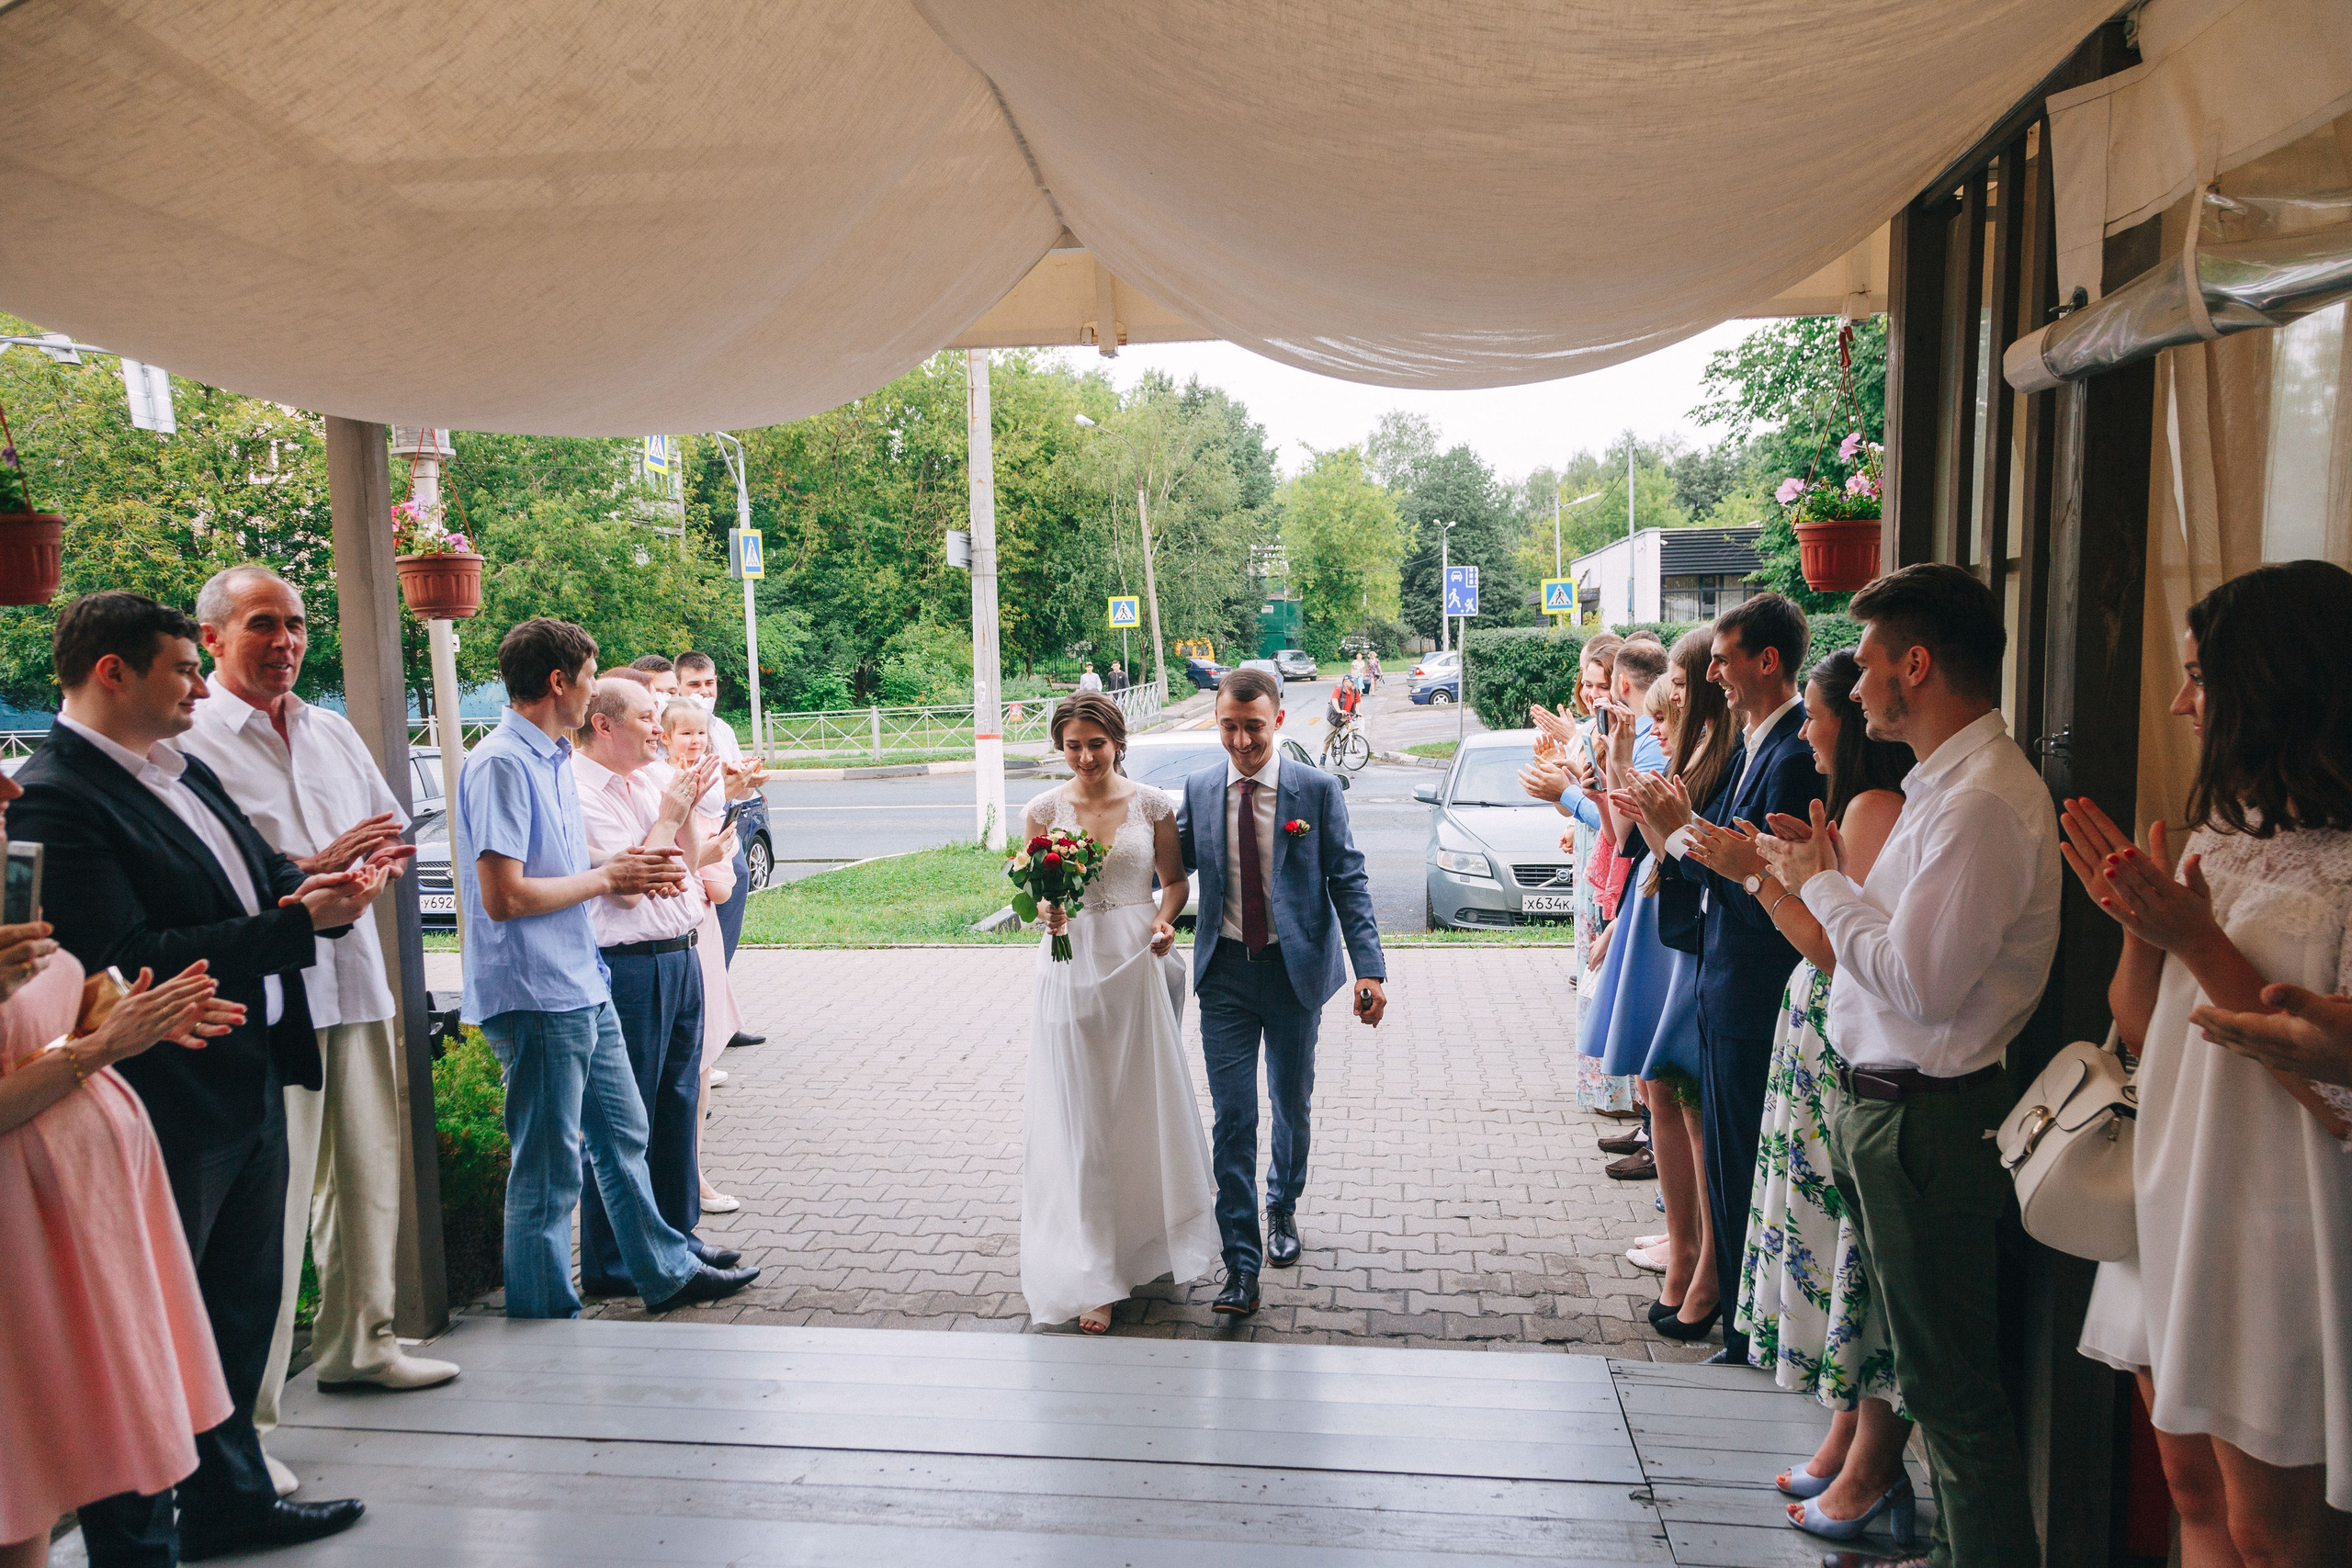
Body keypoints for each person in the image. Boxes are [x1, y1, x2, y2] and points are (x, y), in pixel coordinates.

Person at [11, 592, 390, 1562]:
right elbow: (129, 953)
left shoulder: (179, 767)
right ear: (113, 673)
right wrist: (300, 925)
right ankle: (137, 1539)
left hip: (248, 1064)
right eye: (183, 668)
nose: (197, 686)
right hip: (163, 1096)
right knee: (140, 1338)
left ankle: (230, 1499)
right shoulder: (60, 793)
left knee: (233, 1307)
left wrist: (312, 880)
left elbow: (253, 870)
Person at [1757, 563, 2059, 1568]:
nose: (1857, 680)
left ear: (1915, 666)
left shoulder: (1979, 806)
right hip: (1890, 1108)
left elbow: (1919, 985)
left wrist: (1822, 883)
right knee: (1929, 1383)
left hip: (1928, 1120)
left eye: (1872, 659)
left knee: (1952, 1400)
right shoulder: (1946, 787)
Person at [2066, 559, 2352, 1563]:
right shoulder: (2224, 842)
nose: (2184, 704)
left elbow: (2334, 1088)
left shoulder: (2347, 867)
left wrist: (2195, 940)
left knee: (2274, 1532)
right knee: (2187, 1486)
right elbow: (2143, 1030)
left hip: (2279, 1217)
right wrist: (2138, 922)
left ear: (2280, 686)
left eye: (2201, 678)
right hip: (2174, 1190)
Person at [179, 567, 460, 1500]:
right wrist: (307, 869)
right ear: (212, 636)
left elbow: (386, 828)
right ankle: (250, 1423)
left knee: (368, 1176)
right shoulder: (193, 741)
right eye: (265, 624)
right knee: (274, 1213)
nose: (287, 641)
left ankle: (361, 1343)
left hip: (355, 978)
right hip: (271, 999)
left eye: (297, 624)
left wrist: (373, 858)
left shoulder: (331, 727)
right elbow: (208, 884)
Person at [456, 617, 756, 1319]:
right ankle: (544, 1317)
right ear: (560, 683)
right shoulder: (503, 761)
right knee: (551, 1169)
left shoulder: (551, 758)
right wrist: (610, 874)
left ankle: (664, 1269)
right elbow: (503, 896)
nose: (596, 691)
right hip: (534, 989)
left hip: (580, 977)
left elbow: (571, 866)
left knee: (624, 1136)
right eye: (592, 676)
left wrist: (616, 863)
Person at [1683, 649, 1916, 1547]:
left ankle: (1867, 1464)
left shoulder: (1871, 807)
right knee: (1842, 1261)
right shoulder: (1862, 806)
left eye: (1822, 715)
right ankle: (1846, 1440)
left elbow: (1829, 946)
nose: (1817, 728)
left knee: (1852, 1264)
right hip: (1827, 1039)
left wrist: (1757, 873)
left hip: (1849, 1044)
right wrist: (1763, 868)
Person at [0, 757, 248, 1568]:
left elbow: (42, 1013)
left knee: (44, 1460)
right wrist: (105, 1049)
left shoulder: (10, 885)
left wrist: (129, 1009)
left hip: (86, 1210)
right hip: (20, 1233)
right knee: (21, 1457)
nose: (10, 788)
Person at [1623, 593, 1825, 1366]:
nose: (1711, 671)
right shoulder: (1752, 747)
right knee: (1732, 1166)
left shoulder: (1791, 757)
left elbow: (1758, 888)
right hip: (1723, 983)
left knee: (1741, 1167)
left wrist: (1676, 836)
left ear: (1766, 661)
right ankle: (1741, 1325)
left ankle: (1745, 1335)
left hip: (1752, 986)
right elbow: (1719, 867)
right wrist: (1672, 834)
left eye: (1724, 656)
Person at [1175, 668, 1386, 1315]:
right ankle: (1240, 1264)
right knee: (1234, 1118)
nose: (1240, 741)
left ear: (1279, 721)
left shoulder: (1316, 790)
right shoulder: (1202, 787)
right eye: (1229, 728)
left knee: (1290, 1104)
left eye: (1253, 727)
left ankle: (1282, 1205)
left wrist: (1369, 969)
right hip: (1227, 976)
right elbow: (1166, 862)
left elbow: (1348, 880)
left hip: (1296, 974)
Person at [1020, 693, 1219, 1332]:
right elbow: (1034, 889)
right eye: (1072, 746)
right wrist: (1049, 911)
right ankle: (1093, 1271)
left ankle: (1143, 1244)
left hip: (1135, 965)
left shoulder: (1154, 805)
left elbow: (1175, 882)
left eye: (1095, 744)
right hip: (1070, 965)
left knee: (1137, 1110)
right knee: (1082, 1119)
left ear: (1117, 741)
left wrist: (1164, 922)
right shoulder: (1041, 811)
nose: (1084, 757)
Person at [569, 677, 743, 1298]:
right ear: (604, 725)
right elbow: (627, 883)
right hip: (630, 965)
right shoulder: (579, 792)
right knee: (626, 1120)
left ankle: (679, 1240)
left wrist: (689, 805)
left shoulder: (649, 778)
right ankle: (613, 1261)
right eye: (647, 717)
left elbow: (684, 864)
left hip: (682, 951)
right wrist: (667, 820)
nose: (658, 728)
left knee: (675, 1105)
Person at [1589, 634, 1736, 1342]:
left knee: (1682, 1087)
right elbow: (1633, 839)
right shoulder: (1685, 749)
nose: (1669, 693)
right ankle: (1684, 1250)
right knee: (1660, 1082)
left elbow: (1684, 845)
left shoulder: (1722, 752)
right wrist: (1620, 765)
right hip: (1656, 912)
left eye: (1680, 678)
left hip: (1684, 927)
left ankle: (1703, 1257)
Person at [652, 697, 749, 1215]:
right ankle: (688, 1179)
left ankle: (692, 1174)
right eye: (683, 733)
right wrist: (712, 857)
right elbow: (697, 870)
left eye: (701, 733)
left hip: (698, 927)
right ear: (663, 736)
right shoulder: (666, 784)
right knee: (690, 1062)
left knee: (701, 1059)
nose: (694, 741)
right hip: (688, 919)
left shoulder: (695, 781)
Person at [673, 652, 768, 1031]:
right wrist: (730, 785)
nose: (704, 692)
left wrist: (746, 778)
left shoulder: (723, 729)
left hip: (725, 829)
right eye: (694, 685)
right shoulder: (673, 727)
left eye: (709, 683)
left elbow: (729, 792)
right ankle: (707, 1019)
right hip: (696, 833)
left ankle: (720, 1013)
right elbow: (703, 793)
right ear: (678, 688)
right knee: (705, 926)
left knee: (732, 901)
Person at [1318, 672, 1363, 767]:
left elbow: (1358, 701)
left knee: (1354, 728)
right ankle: (1323, 755)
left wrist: (1357, 711)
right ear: (1345, 682)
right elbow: (1334, 700)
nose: (1353, 683)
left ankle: (1351, 742)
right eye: (1351, 681)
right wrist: (1339, 710)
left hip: (1347, 715)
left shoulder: (1354, 690)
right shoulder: (1338, 688)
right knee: (1329, 737)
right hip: (1335, 716)